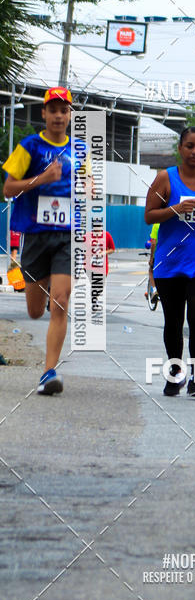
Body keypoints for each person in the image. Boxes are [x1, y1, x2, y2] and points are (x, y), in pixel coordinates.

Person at [2, 87, 78, 395]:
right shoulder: (29, 146)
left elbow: (90, 189)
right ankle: (43, 292)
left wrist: (88, 189)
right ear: (44, 114)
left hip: (66, 236)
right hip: (34, 233)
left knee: (61, 301)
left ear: (70, 115)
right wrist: (41, 180)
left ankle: (49, 372)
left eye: (64, 110)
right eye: (53, 110)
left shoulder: (80, 150)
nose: (59, 115)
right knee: (35, 310)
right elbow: (8, 189)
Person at [144, 126, 195, 398]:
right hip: (170, 261)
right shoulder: (164, 179)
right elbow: (149, 216)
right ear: (180, 149)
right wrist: (175, 209)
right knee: (173, 320)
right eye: (189, 146)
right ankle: (174, 375)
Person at [145, 222, 160, 307]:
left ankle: (154, 291)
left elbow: (153, 243)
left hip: (159, 255)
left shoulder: (156, 224)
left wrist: (151, 258)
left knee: (151, 270)